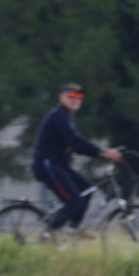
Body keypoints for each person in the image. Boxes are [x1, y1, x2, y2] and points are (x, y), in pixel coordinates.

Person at [34, 83, 122, 232]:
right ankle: (48, 236)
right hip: (48, 165)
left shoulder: (66, 116)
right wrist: (102, 152)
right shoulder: (58, 116)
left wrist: (101, 152)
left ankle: (73, 231)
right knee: (73, 201)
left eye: (79, 97)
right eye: (71, 96)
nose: (76, 99)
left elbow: (77, 146)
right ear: (61, 97)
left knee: (87, 189)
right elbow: (75, 141)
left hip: (60, 166)